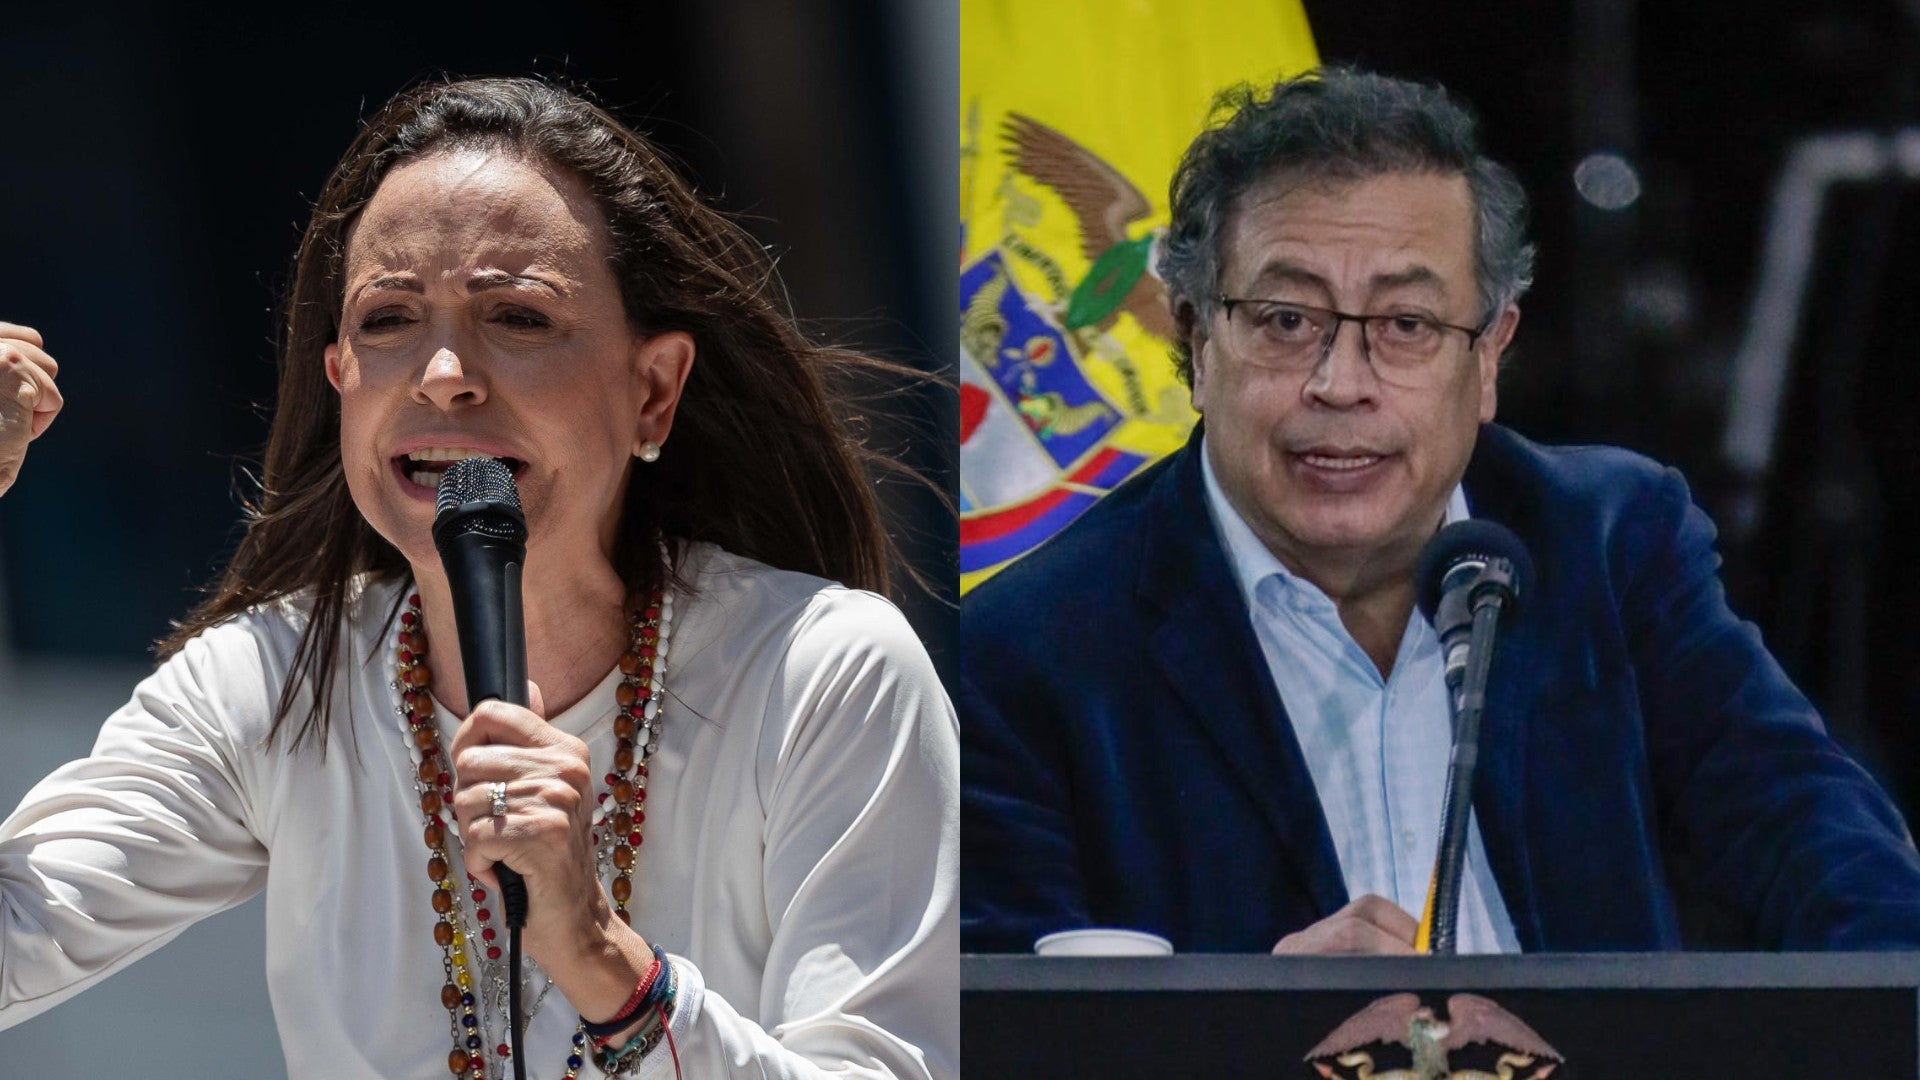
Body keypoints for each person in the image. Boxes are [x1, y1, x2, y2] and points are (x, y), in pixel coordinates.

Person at [0, 77, 957, 1079]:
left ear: (653, 391)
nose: (445, 372)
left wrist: (606, 962)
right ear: (342, 386)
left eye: (519, 317)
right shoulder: (270, 682)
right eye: (389, 320)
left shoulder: (826, 672)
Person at [959, 66, 1920, 956]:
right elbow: (1004, 1023)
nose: (1340, 384)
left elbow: (1822, 847)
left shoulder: (1611, 542)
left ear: (1489, 353)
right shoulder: (1027, 656)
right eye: (1287, 321)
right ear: (1196, 339)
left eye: (1407, 327)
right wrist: (1247, 1026)